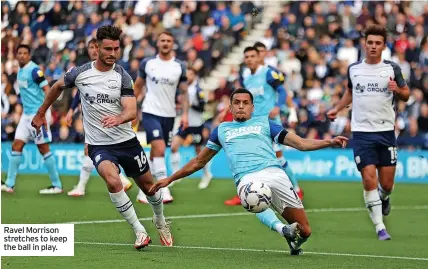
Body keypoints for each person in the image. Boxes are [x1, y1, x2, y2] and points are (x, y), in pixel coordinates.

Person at [150, 89, 348, 254]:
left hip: (275, 173)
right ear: (231, 107)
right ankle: (283, 230)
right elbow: (198, 162)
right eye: (237, 102)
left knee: (305, 231)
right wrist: (169, 179)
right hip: (247, 178)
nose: (241, 106)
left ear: (253, 107)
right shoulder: (222, 129)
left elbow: (301, 144)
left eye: (246, 102)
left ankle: (294, 241)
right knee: (254, 195)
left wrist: (329, 142)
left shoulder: (265, 123)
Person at [31, 25, 173, 248]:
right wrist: (41, 113)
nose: (113, 54)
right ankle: (139, 231)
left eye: (116, 49)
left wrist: (120, 118)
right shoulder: (80, 73)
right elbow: (57, 87)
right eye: (108, 48)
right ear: (96, 48)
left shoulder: (123, 77)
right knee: (112, 180)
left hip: (127, 142)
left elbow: (131, 110)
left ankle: (160, 220)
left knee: (149, 187)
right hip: (100, 145)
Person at [327, 25, 410, 240]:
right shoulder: (354, 69)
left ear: (383, 46)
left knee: (387, 185)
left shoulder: (392, 68)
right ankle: (380, 227)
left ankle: (384, 197)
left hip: (385, 132)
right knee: (368, 178)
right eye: (370, 42)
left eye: (377, 43)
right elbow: (349, 91)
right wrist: (336, 108)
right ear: (365, 44)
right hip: (362, 133)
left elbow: (407, 95)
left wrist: (397, 90)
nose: (373, 46)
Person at [224, 43, 302, 206]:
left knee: (278, 157)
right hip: (251, 123)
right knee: (245, 156)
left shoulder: (268, 73)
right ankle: (244, 192)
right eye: (248, 57)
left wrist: (278, 106)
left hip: (269, 123)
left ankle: (296, 188)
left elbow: (281, 91)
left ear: (261, 56)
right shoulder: (246, 76)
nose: (251, 59)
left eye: (254, 55)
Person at [65, 38, 132, 197]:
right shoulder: (86, 71)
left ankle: (85, 186)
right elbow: (79, 93)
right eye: (90, 47)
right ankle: (120, 179)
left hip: (108, 116)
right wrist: (71, 110)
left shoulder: (114, 69)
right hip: (93, 117)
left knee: (93, 149)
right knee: (92, 149)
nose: (93, 50)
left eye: (96, 47)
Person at [133, 31, 189, 204]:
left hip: (170, 115)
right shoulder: (148, 63)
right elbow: (137, 87)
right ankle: (163, 190)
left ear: (173, 44)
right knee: (159, 147)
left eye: (169, 41)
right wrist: (131, 110)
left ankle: (145, 189)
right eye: (162, 40)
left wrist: (185, 113)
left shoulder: (179, 66)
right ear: (157, 43)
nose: (165, 43)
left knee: (157, 152)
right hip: (150, 111)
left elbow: (185, 92)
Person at [1, 44, 63, 194]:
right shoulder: (20, 71)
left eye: (24, 53)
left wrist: (46, 113)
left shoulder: (35, 71)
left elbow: (48, 90)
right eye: (19, 53)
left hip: (38, 115)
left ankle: (57, 185)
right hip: (26, 115)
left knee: (43, 148)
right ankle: (9, 184)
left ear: (29, 56)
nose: (21, 55)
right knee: (16, 145)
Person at [169, 67, 213, 189]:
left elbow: (203, 108)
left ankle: (207, 174)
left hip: (196, 125)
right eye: (186, 74)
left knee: (199, 152)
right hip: (185, 123)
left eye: (190, 74)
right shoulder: (182, 89)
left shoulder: (198, 90)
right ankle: (176, 174)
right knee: (174, 146)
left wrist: (191, 105)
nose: (187, 77)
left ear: (194, 76)